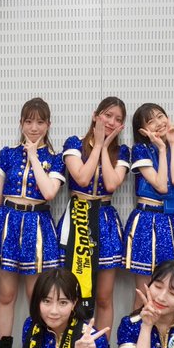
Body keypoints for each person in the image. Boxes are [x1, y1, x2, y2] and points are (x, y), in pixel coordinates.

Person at [0, 98, 65, 348]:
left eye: (40, 122)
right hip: (7, 224)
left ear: (48, 124)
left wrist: (33, 155)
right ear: (20, 123)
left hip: (38, 226)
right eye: (29, 121)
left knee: (36, 298)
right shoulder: (7, 154)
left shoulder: (56, 158)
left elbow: (49, 193)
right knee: (6, 296)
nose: (34, 127)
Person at [59, 96, 129, 334]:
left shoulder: (122, 151)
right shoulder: (74, 143)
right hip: (78, 217)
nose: (111, 122)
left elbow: (111, 184)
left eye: (117, 119)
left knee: (104, 296)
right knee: (73, 293)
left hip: (105, 220)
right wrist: (97, 146)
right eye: (107, 115)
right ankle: (71, 345)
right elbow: (81, 178)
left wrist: (105, 148)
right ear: (95, 115)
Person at [122, 103, 174, 309]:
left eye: (160, 116)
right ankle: (137, 329)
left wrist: (172, 144)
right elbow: (161, 186)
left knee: (173, 289)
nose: (158, 123)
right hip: (147, 220)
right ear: (142, 131)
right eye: (150, 121)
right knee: (144, 292)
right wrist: (161, 149)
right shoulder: (140, 150)